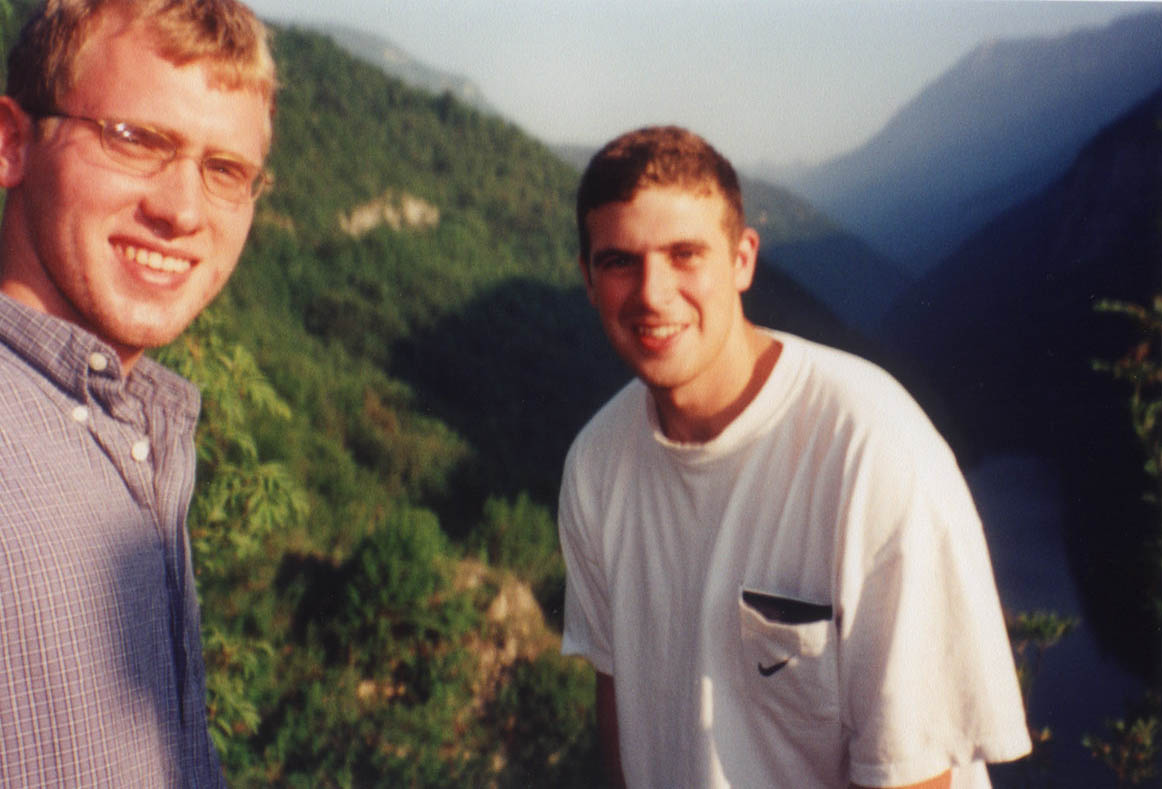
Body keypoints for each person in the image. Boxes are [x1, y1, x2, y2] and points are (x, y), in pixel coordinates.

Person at [558, 126, 1032, 788]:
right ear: (587, 278)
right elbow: (622, 707)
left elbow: (917, 772)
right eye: (619, 261)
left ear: (743, 259)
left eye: (685, 253)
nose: (652, 293)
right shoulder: (598, 465)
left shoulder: (871, 452)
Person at [0, 0, 275, 784]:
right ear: (13, 142)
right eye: (134, 140)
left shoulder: (134, 432)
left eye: (225, 171)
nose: (181, 209)